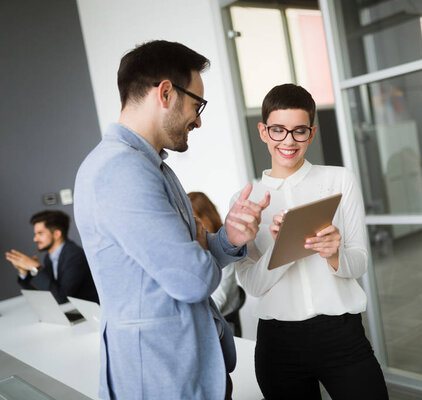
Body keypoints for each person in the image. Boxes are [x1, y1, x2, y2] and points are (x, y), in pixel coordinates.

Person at [73, 40, 269, 400]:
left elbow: (190, 255)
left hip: (188, 371)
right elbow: (192, 279)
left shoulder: (151, 164)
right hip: (163, 379)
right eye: (197, 104)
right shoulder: (121, 170)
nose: (198, 119)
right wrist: (196, 255)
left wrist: (229, 238)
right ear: (165, 92)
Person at [230, 84, 388, 399]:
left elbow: (359, 262)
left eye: (299, 131)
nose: (288, 141)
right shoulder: (245, 200)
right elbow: (253, 285)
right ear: (263, 131)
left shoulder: (339, 180)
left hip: (341, 334)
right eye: (278, 130)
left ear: (311, 134)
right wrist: (281, 246)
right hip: (279, 345)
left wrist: (334, 254)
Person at [5, 210, 98, 304]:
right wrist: (24, 271)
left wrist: (36, 268)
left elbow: (61, 298)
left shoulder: (75, 256)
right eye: (35, 234)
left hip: (89, 313)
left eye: (40, 233)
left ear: (57, 234)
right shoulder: (49, 257)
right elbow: (45, 292)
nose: (35, 239)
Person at [188, 191, 246, 336]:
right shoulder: (193, 248)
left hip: (225, 325)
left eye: (195, 219)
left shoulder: (224, 251)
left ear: (205, 217)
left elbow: (220, 299)